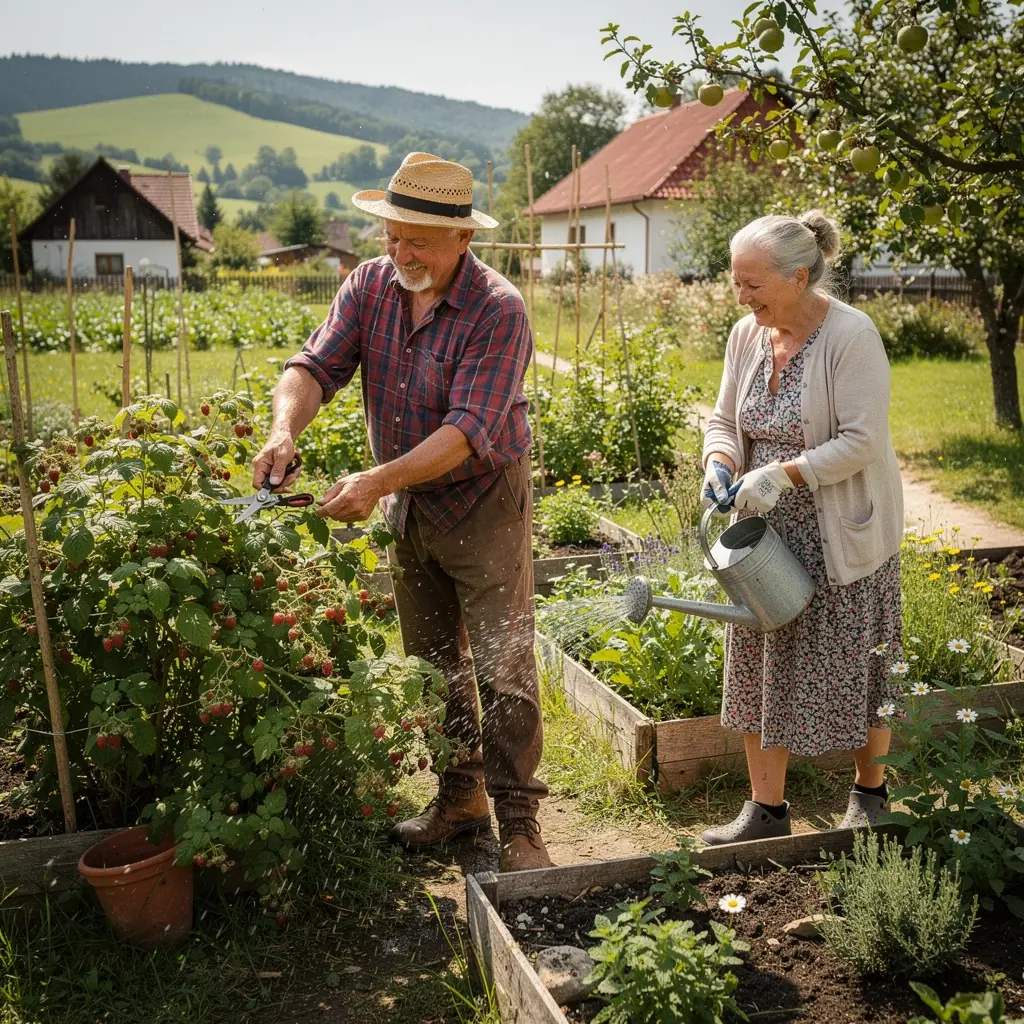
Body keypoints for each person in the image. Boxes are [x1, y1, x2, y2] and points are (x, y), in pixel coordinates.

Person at [253, 152, 551, 872]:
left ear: (462, 240)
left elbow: (466, 431)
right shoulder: (370, 285)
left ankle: (519, 824)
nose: (399, 251)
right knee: (430, 662)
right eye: (391, 234)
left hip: (481, 497)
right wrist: (284, 429)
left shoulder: (498, 310)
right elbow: (314, 365)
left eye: (417, 239)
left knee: (503, 660)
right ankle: (459, 798)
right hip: (407, 504)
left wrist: (376, 481)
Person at [699, 210, 905, 844]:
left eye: (753, 284)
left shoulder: (851, 334)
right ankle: (766, 811)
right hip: (763, 535)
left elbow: (863, 440)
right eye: (737, 282)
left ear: (797, 276)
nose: (741, 297)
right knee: (760, 656)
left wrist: (785, 473)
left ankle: (870, 795)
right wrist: (721, 461)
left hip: (841, 530)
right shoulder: (747, 335)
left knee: (860, 659)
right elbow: (725, 419)